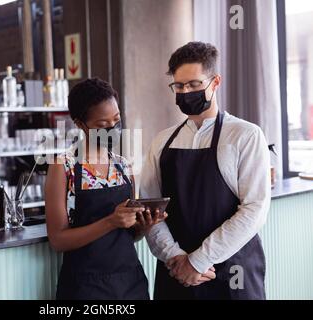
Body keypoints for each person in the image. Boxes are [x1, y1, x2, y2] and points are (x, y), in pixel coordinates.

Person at [140, 42, 270, 300]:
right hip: (176, 271)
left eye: (195, 85)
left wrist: (198, 261)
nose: (186, 92)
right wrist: (176, 257)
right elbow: (150, 209)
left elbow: (254, 209)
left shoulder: (245, 135)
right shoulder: (162, 141)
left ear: (215, 82)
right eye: (179, 86)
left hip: (233, 272)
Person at [45, 78, 166, 300]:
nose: (113, 128)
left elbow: (128, 235)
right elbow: (58, 240)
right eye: (102, 125)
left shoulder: (123, 165)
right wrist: (110, 221)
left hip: (130, 283)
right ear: (80, 124)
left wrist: (142, 226)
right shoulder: (63, 167)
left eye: (117, 120)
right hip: (84, 287)